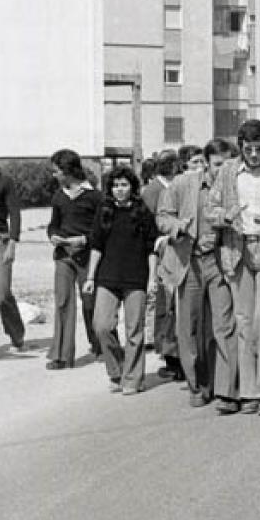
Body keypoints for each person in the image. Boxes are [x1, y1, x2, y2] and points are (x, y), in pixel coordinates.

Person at [206, 119, 260, 417]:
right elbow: (211, 211)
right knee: (244, 322)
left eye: (259, 149)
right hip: (237, 249)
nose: (254, 155)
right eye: (248, 149)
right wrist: (226, 216)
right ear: (241, 148)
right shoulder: (229, 171)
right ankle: (248, 392)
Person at [157, 143, 238, 411]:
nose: (222, 170)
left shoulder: (236, 189)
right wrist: (177, 227)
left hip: (219, 262)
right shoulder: (182, 184)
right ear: (206, 163)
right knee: (188, 328)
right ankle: (197, 385)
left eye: (228, 165)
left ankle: (226, 389)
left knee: (223, 326)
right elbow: (163, 216)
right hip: (188, 262)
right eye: (217, 165)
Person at [82, 166, 160, 394]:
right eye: (115, 185)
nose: (119, 190)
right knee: (102, 326)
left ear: (132, 187)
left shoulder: (142, 212)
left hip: (136, 278)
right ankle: (117, 370)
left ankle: (133, 379)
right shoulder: (104, 211)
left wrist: (152, 278)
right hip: (108, 277)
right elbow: (96, 246)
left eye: (124, 185)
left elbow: (151, 248)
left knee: (134, 330)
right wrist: (90, 277)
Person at [46, 149, 103, 369]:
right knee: (62, 302)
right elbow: (54, 224)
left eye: (57, 171)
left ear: (69, 171)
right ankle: (61, 355)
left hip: (87, 256)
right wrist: (52, 236)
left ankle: (99, 345)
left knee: (90, 303)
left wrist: (85, 240)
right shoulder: (59, 196)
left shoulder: (95, 197)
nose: (54, 175)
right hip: (63, 256)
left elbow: (103, 229)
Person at [141, 149, 181, 381]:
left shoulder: (178, 185)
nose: (170, 167)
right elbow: (149, 225)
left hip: (180, 251)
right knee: (165, 307)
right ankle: (169, 355)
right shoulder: (152, 191)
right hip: (161, 253)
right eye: (165, 163)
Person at [0, 164, 25, 353]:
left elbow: (14, 212)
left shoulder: (4, 181)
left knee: (2, 293)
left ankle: (17, 334)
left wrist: (13, 243)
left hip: (1, 241)